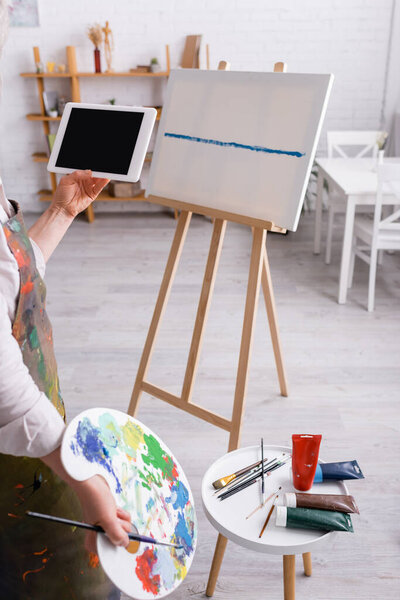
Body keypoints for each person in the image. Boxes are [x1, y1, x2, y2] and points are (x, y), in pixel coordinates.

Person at [0, 3, 130, 597]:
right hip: (16, 447)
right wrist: (82, 478)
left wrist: (60, 211)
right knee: (63, 579)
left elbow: (11, 279)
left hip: (27, 437)